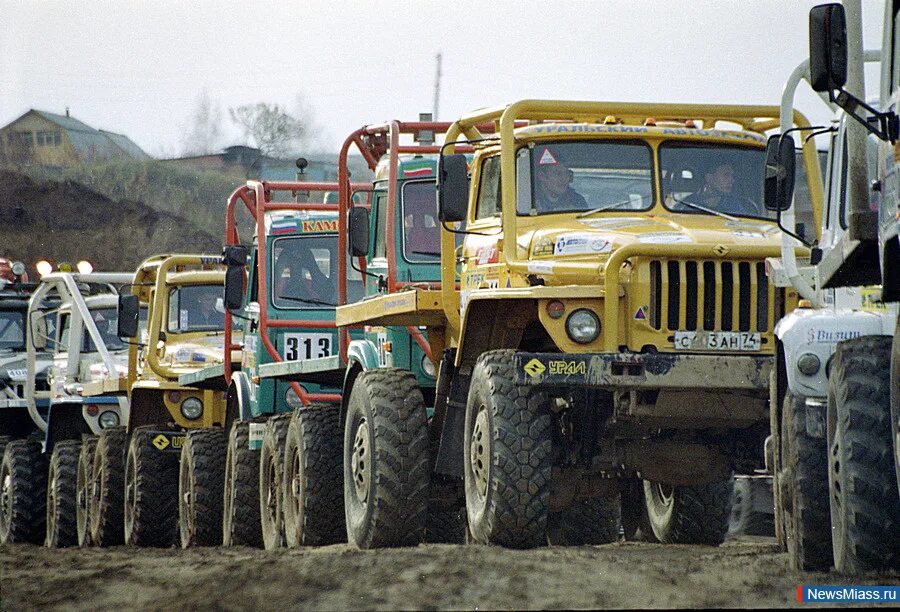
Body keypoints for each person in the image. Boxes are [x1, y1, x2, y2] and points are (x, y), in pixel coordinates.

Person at [684, 161, 759, 216]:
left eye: (732, 176)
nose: (732, 180)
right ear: (709, 178)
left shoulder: (733, 203)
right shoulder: (687, 203)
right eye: (726, 175)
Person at [534, 147, 587, 213]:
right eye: (557, 173)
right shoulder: (531, 200)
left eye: (566, 173)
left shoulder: (577, 201)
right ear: (542, 176)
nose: (564, 178)